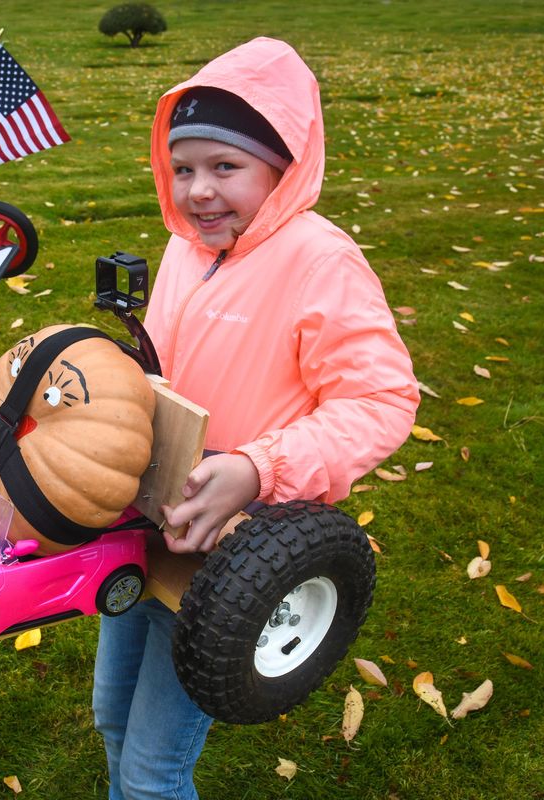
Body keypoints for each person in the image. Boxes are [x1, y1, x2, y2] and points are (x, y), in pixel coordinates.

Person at [91, 37, 420, 799]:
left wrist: (257, 468)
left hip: (231, 554)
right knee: (111, 716)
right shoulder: (187, 247)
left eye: (225, 167)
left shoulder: (319, 261)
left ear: (283, 167)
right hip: (143, 525)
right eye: (185, 168)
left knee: (152, 770)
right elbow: (167, 370)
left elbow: (381, 401)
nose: (200, 190)